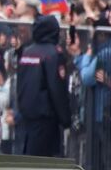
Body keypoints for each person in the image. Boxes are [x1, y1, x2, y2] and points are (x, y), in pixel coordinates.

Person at [13, 14, 70, 157]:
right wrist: (65, 118)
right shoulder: (53, 54)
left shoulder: (27, 51)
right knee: (44, 158)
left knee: (27, 153)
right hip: (45, 116)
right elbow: (56, 88)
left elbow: (20, 82)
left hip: (26, 113)